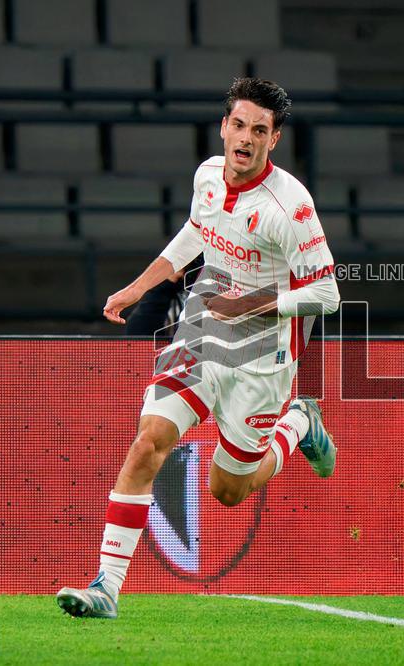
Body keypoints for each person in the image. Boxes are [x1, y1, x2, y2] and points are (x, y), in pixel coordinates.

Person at [57, 78, 340, 619]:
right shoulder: (208, 176)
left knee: (228, 492)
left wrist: (252, 305)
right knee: (149, 443)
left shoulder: (291, 205)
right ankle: (106, 588)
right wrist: (140, 286)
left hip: (262, 355)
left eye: (260, 130)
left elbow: (325, 294)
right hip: (203, 330)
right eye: (239, 125)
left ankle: (299, 423)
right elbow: (195, 235)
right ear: (223, 127)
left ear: (273, 139)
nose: (246, 138)